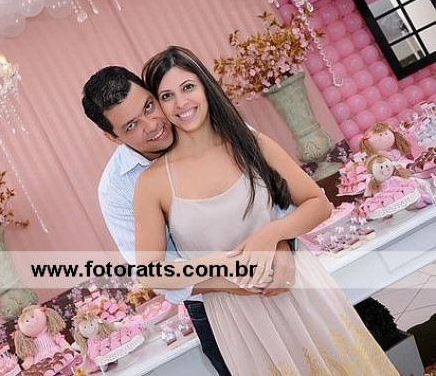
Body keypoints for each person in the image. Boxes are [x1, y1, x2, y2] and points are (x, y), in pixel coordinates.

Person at [134, 46, 398, 375]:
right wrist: (218, 266)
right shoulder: (152, 183)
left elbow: (317, 204)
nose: (181, 103)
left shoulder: (251, 144)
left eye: (188, 87)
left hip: (298, 288)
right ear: (158, 106)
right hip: (239, 318)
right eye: (167, 95)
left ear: (205, 86)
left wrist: (272, 235)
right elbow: (151, 273)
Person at [82, 66, 297, 376]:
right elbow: (153, 270)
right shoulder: (117, 188)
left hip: (280, 271)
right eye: (131, 125)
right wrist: (233, 283)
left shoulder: (212, 125)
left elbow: (277, 189)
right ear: (112, 136)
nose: (152, 125)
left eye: (149, 106)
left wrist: (282, 245)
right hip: (212, 305)